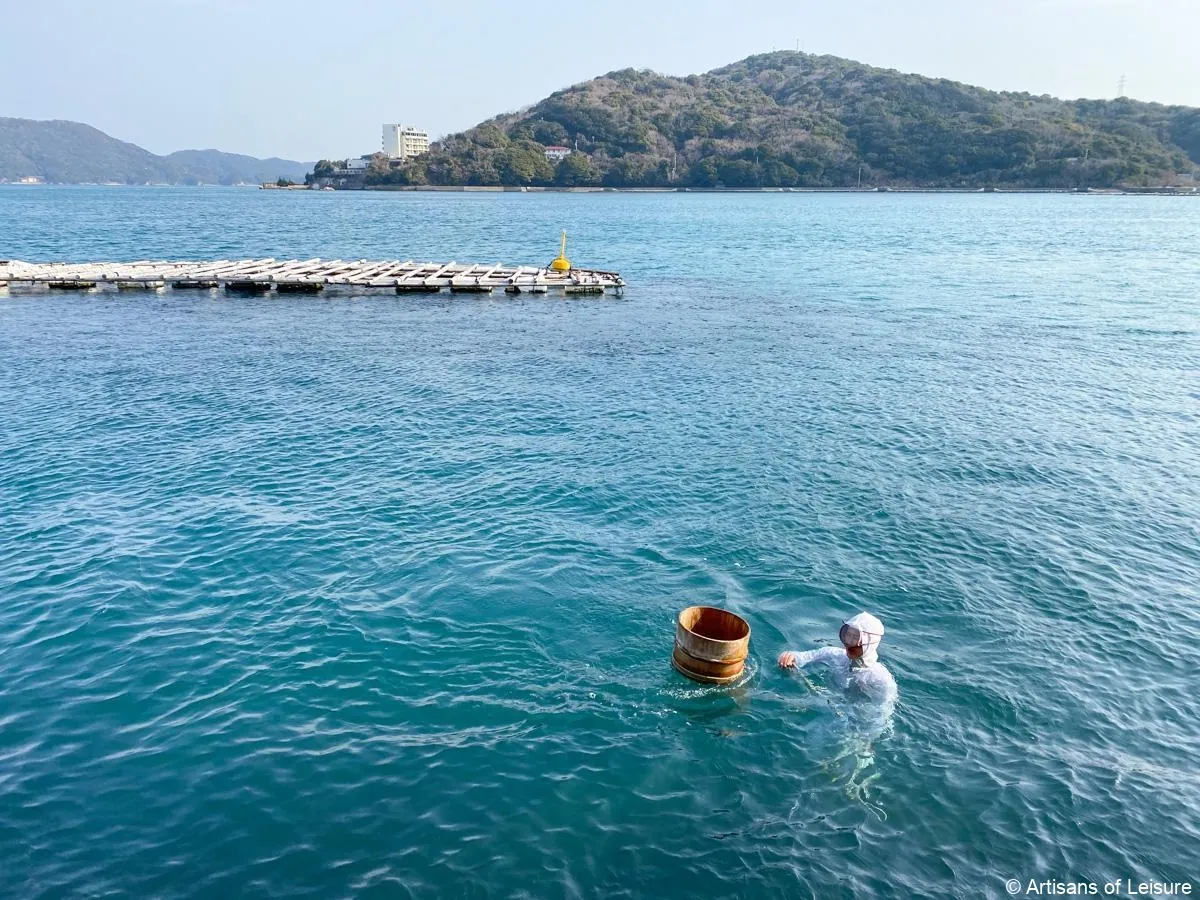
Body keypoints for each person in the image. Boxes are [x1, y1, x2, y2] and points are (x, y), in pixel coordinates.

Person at [778, 612, 897, 703]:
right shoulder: (833, 654)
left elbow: (880, 715)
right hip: (823, 704)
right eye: (847, 635)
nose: (849, 643)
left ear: (870, 642)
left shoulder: (881, 680)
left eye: (855, 638)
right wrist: (790, 656)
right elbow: (806, 657)